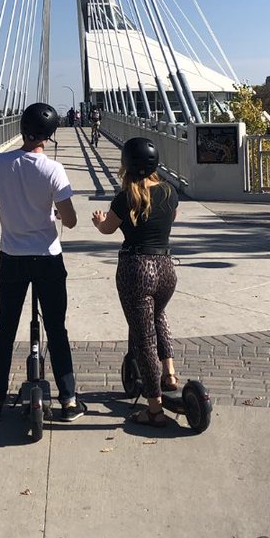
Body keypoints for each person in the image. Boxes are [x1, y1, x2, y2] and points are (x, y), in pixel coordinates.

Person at [0, 102, 86, 422]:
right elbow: (72, 220)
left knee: (5, 329)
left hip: (11, 259)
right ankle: (68, 400)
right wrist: (50, 212)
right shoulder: (53, 170)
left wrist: (7, 210)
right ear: (50, 137)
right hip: (48, 259)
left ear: (22, 128)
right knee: (56, 329)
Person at [92, 137, 179, 427]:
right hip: (166, 268)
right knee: (159, 316)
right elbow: (168, 220)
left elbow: (107, 229)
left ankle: (154, 410)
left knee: (144, 339)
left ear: (126, 165)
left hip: (136, 269)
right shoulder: (170, 192)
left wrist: (99, 221)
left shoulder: (125, 197)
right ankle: (169, 373)